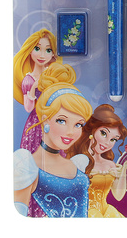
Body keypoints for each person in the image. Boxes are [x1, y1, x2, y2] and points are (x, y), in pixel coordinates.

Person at [13, 63, 93, 217]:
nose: (71, 132)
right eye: (61, 121)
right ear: (45, 120)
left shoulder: (76, 164)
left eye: (78, 124)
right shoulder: (26, 167)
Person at [68, 104, 127, 217]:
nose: (107, 143)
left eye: (113, 139)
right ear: (93, 130)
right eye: (103, 133)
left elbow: (118, 196)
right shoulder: (79, 161)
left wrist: (124, 169)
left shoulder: (110, 164)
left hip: (107, 214)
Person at [13, 29, 62, 153]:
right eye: (37, 48)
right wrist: (34, 87)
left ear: (53, 54)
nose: (42, 55)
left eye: (48, 50)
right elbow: (28, 108)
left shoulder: (54, 75)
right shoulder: (28, 80)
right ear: (30, 50)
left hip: (54, 120)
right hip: (36, 123)